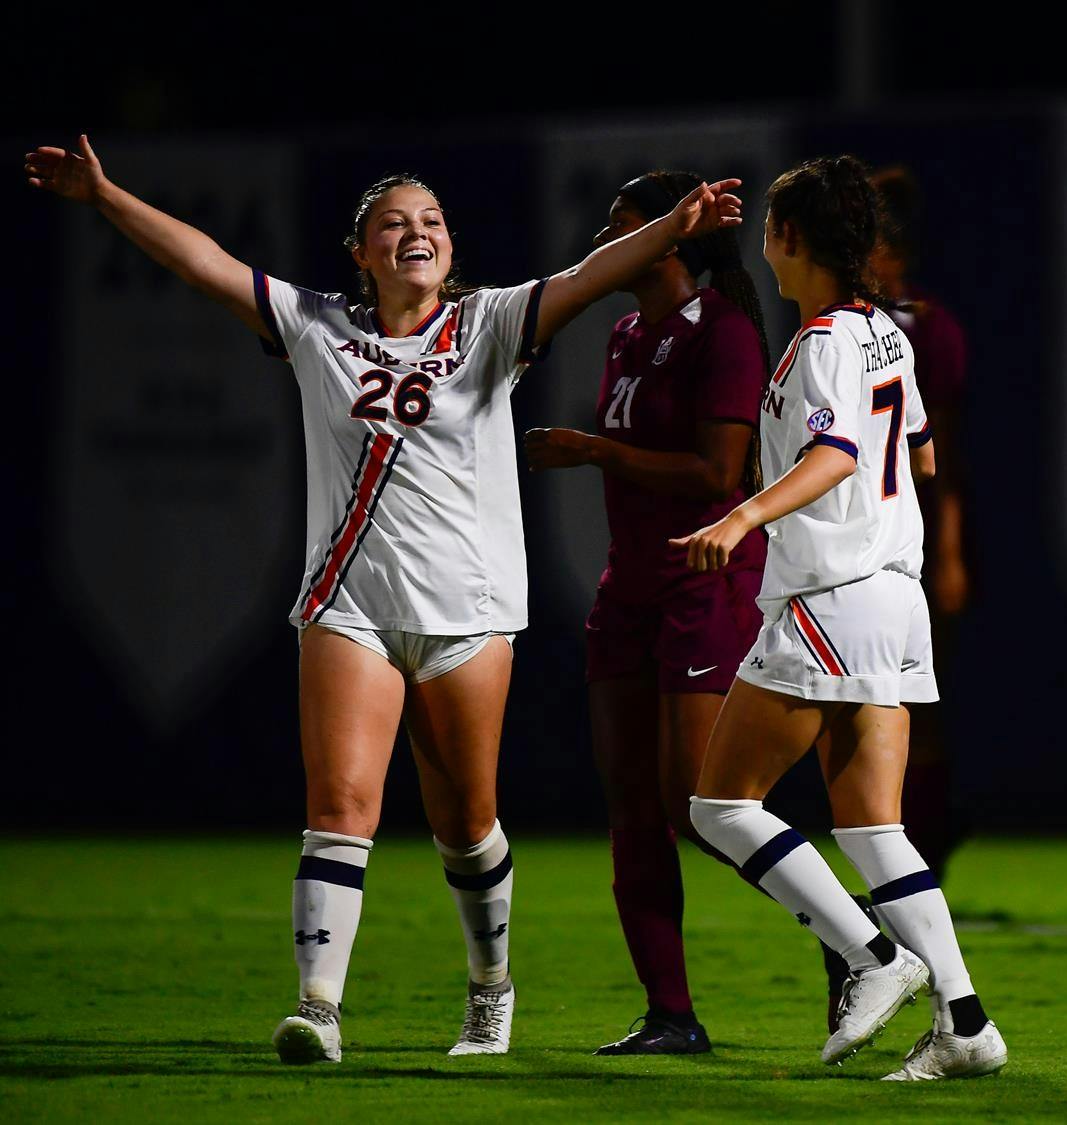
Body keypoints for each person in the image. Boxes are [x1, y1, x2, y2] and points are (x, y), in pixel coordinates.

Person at [25, 136, 742, 1061]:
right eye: (394, 224)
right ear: (359, 251)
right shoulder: (317, 325)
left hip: (469, 614)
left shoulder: (489, 322)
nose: (418, 233)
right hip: (347, 605)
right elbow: (203, 261)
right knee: (341, 804)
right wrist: (108, 196)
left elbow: (585, 273)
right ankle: (319, 1007)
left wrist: (671, 231)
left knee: (466, 822)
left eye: (433, 221)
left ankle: (490, 987)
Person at [672, 155, 1007, 1081]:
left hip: (833, 592)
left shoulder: (823, 340)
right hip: (896, 599)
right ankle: (967, 1023)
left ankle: (875, 956)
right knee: (873, 827)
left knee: (721, 803)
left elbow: (834, 452)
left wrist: (745, 513)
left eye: (772, 227)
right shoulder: (887, 335)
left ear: (789, 238)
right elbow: (925, 457)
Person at [522, 171, 770, 1053]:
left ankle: (852, 939)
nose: (607, 236)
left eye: (624, 224)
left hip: (706, 578)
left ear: (671, 238)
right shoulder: (626, 332)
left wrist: (594, 450)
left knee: (697, 802)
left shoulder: (727, 330)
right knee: (629, 803)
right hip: (628, 585)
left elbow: (719, 474)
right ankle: (671, 1012)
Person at [868, 166, 972, 879]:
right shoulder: (844, 322)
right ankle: (903, 850)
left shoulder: (925, 329)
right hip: (858, 540)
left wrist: (953, 550)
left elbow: (945, 451)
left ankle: (924, 843)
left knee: (912, 701)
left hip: (909, 540)